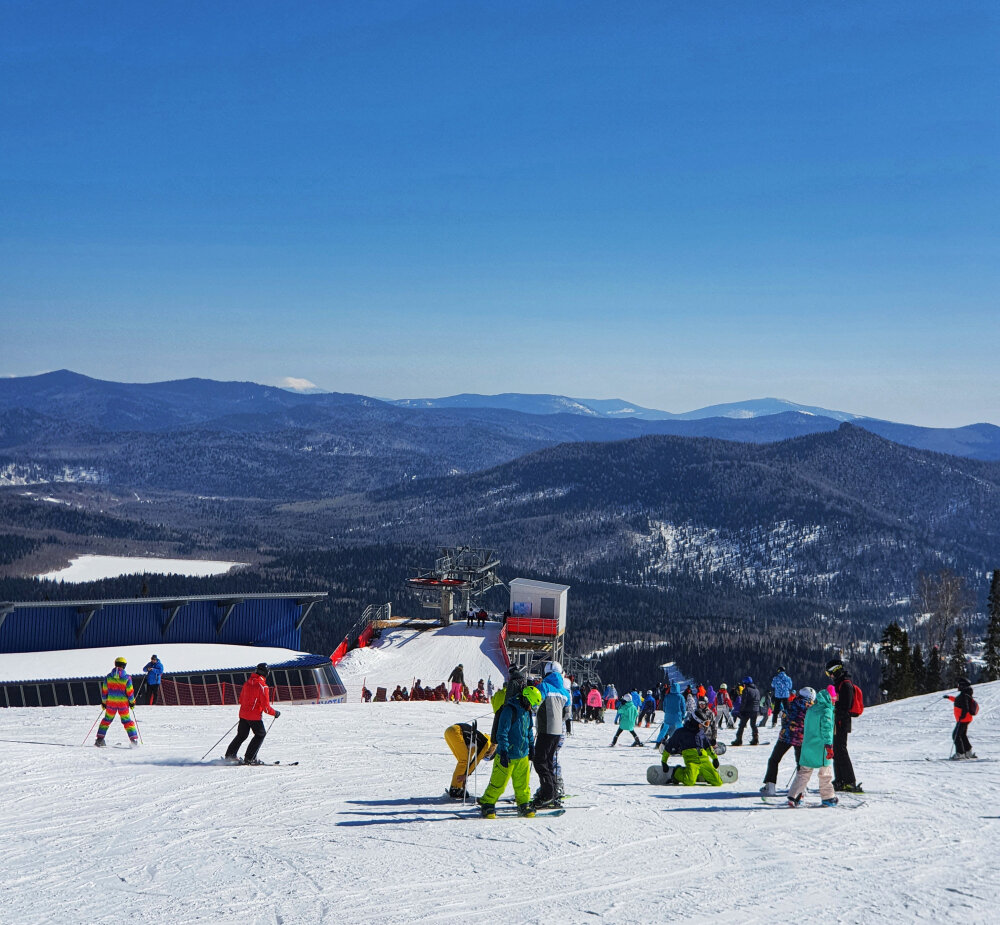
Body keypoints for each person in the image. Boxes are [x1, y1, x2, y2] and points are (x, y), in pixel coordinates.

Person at [479, 684, 541, 818]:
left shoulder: (527, 711)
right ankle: (488, 803)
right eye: (532, 705)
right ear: (526, 699)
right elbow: (502, 732)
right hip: (507, 754)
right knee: (499, 783)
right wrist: (504, 751)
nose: (533, 708)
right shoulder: (509, 710)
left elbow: (529, 730)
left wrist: (531, 747)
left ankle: (523, 803)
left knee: (523, 784)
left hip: (522, 754)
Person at [786, 687, 838, 807]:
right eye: (834, 699)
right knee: (825, 773)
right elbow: (827, 730)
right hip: (821, 747)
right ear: (830, 698)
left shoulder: (812, 709)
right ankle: (828, 798)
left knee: (803, 772)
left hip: (807, 746)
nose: (834, 701)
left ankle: (793, 796)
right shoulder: (826, 710)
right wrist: (829, 745)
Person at [760, 687, 814, 796]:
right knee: (801, 763)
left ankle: (770, 786)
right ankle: (801, 787)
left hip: (786, 736)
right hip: (801, 738)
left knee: (774, 759)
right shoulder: (811, 709)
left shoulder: (792, 703)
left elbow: (784, 717)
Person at [224, 663, 279, 765]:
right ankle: (250, 758)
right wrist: (275, 713)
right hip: (254, 716)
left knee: (242, 735)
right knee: (260, 734)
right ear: (266, 673)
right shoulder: (263, 686)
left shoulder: (247, 683)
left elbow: (241, 699)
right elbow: (266, 708)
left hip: (243, 714)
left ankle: (230, 755)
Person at [533, 662, 571, 807]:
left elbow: (535, 704)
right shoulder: (564, 691)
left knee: (540, 762)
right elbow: (567, 714)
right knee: (549, 762)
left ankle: (547, 794)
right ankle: (553, 791)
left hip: (545, 729)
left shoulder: (544, 686)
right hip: (557, 732)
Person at [826, 659, 863, 792]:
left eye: (829, 673)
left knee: (841, 750)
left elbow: (845, 707)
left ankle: (849, 781)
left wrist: (835, 713)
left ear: (836, 671)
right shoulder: (839, 683)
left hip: (841, 723)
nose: (829, 676)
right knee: (836, 751)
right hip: (836, 722)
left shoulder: (846, 685)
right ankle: (840, 780)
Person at [662, 714, 723, 786]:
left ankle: (705, 775)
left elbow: (708, 746)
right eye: (703, 723)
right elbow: (669, 746)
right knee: (689, 781)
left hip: (704, 759)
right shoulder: (681, 732)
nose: (704, 726)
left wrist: (715, 758)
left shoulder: (701, 732)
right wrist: (664, 761)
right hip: (691, 760)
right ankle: (677, 772)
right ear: (696, 721)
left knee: (718, 782)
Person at [95, 656, 139, 747]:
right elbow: (130, 692)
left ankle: (99, 740)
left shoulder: (108, 677)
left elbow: (105, 691)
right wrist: (132, 702)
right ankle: (133, 740)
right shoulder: (127, 678)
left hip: (111, 703)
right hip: (123, 704)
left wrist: (104, 702)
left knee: (106, 720)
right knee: (127, 721)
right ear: (124, 666)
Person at [444, 721, 493, 798]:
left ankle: (457, 786)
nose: (483, 758)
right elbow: (476, 761)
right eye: (486, 758)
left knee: (463, 761)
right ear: (490, 752)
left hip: (449, 731)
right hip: (456, 732)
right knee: (464, 761)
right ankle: (455, 788)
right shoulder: (486, 744)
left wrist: (465, 774)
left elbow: (469, 761)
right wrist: (466, 775)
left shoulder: (478, 741)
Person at [945, 677, 978, 759]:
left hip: (963, 719)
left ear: (963, 686)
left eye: (959, 685)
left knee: (956, 735)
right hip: (966, 719)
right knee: (962, 735)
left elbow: (965, 707)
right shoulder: (966, 694)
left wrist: (962, 716)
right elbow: (958, 701)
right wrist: (949, 697)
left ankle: (960, 754)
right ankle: (968, 752)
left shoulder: (964, 695)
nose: (958, 686)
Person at [655, 681, 687, 746]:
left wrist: (667, 712)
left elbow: (664, 706)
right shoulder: (680, 697)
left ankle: (658, 742)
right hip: (677, 717)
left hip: (668, 716)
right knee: (681, 730)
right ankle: (683, 743)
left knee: (664, 730)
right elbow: (683, 708)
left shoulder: (667, 696)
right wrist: (683, 716)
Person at [732, 677, 761, 746]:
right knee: (753, 725)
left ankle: (738, 740)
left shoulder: (746, 690)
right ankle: (755, 739)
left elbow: (743, 701)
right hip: (755, 710)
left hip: (747, 710)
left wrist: (741, 710)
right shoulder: (757, 690)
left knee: (741, 725)